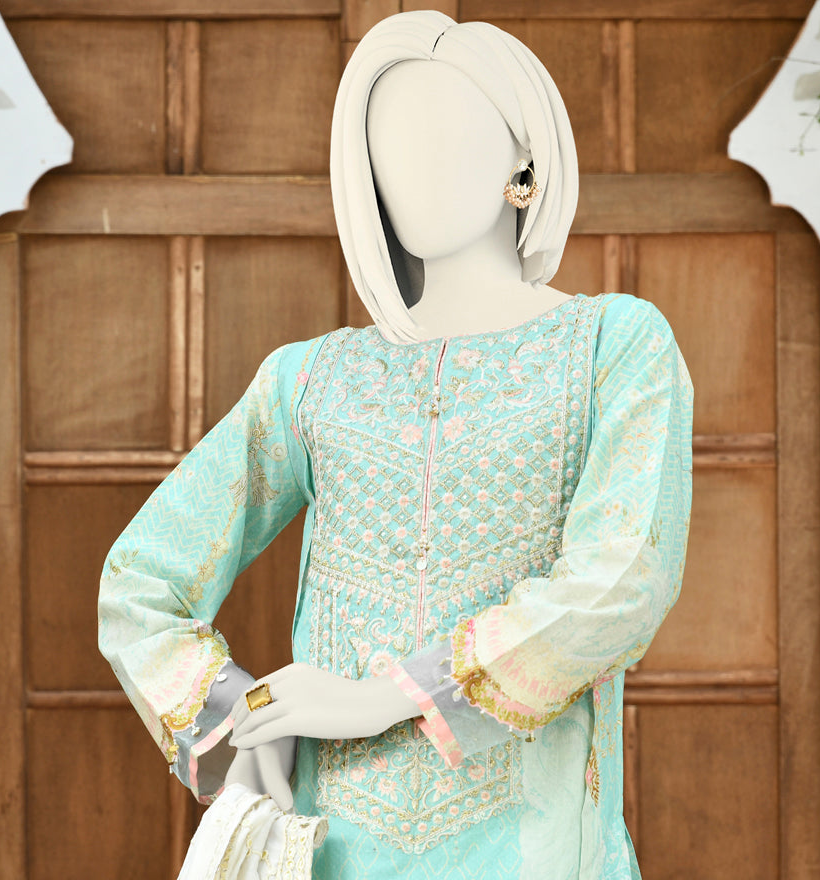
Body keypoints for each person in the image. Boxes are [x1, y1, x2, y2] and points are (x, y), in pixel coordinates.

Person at [99, 11, 693, 879]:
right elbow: (139, 584)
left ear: (524, 165)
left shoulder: (614, 345)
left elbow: (621, 578)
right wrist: (241, 720)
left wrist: (386, 697)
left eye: (444, 134)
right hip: (335, 847)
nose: (412, 169)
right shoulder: (312, 379)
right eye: (388, 146)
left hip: (535, 849)